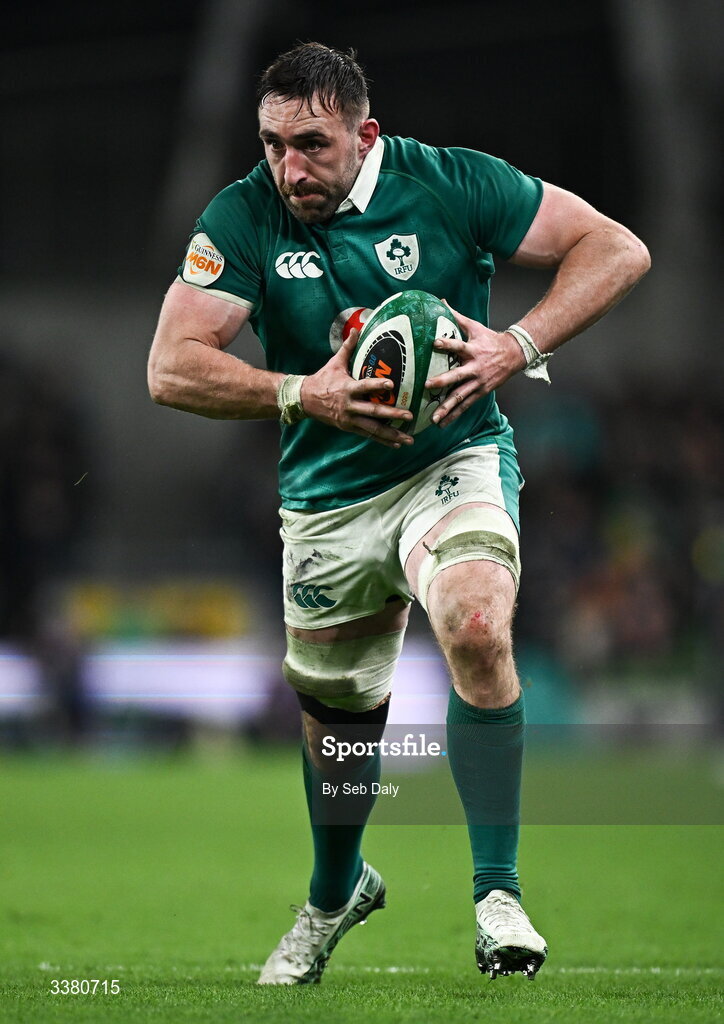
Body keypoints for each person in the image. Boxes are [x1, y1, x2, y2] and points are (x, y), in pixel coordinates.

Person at [147, 42, 650, 984]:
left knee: (474, 625)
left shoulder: (452, 186)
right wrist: (304, 394)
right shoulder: (243, 213)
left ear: (363, 134)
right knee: (340, 720)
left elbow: (618, 248)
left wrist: (517, 342)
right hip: (328, 496)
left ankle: (496, 894)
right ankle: (337, 893)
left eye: (312, 145)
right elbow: (169, 367)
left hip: (451, 459)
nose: (289, 168)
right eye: (271, 145)